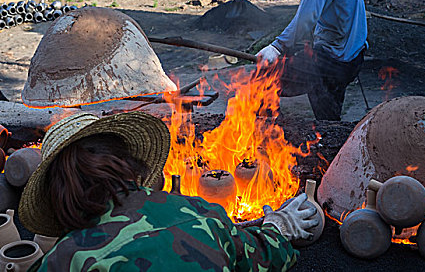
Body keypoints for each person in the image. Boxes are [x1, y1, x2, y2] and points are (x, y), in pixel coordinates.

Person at [19, 111, 319, 271]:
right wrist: (278, 227)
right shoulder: (203, 214)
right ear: (128, 162)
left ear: (58, 193)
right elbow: (268, 258)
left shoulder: (65, 259)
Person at [256, 0, 368, 121]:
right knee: (328, 118)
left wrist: (277, 47)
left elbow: (308, 16)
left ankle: (270, 131)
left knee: (265, 78)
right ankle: (332, 139)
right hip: (351, 57)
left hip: (334, 57)